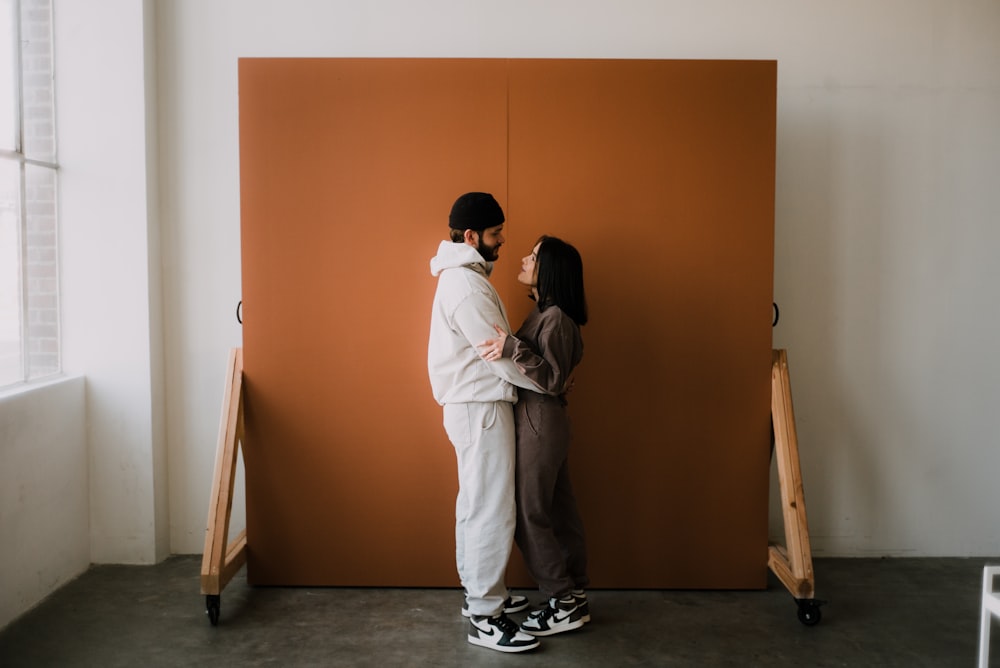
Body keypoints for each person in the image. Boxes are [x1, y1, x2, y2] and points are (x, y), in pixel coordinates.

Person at [427, 192, 541, 654]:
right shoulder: (466, 286)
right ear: (471, 236)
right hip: (480, 408)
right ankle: (485, 614)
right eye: (495, 233)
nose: (502, 240)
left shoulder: (464, 279)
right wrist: (547, 384)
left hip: (477, 407)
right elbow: (499, 357)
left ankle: (481, 597)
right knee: (490, 507)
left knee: (478, 502)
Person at [477, 235, 591, 637]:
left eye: (535, 255)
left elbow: (554, 379)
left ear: (552, 269)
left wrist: (511, 347)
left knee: (529, 514)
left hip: (539, 422)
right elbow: (556, 375)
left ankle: (562, 599)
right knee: (557, 510)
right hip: (542, 420)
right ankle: (572, 592)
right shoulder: (547, 315)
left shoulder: (556, 317)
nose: (524, 258)